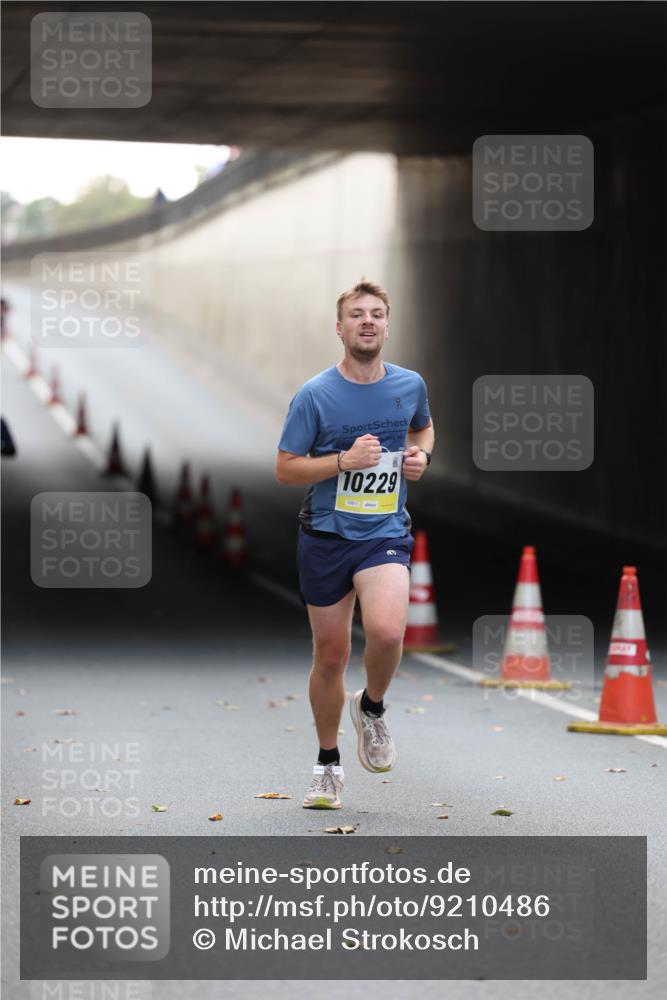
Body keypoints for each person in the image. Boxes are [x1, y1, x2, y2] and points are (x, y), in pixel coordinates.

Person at [275, 279, 434, 809]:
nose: (368, 321)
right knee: (331, 656)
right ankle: (327, 764)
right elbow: (286, 469)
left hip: (384, 533)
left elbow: (423, 431)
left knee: (387, 633)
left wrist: (421, 457)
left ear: (388, 324)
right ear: (339, 328)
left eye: (377, 314)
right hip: (325, 536)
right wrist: (343, 461)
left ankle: (372, 707)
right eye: (357, 314)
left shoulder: (410, 385)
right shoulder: (315, 394)